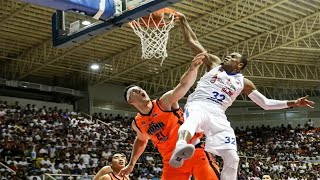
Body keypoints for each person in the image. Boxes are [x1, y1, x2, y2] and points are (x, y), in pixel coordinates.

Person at [169, 12, 315, 180]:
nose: (227, 56)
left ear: (239, 65)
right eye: (228, 54)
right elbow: (192, 41)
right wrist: (184, 22)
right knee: (192, 120)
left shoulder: (244, 83)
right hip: (199, 103)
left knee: (233, 158)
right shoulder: (214, 63)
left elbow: (266, 103)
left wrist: (293, 103)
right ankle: (180, 147)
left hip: (218, 113)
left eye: (232, 56)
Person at [119, 53, 220, 180]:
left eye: (140, 89)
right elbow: (141, 140)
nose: (140, 91)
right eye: (134, 91)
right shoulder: (138, 123)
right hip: (172, 161)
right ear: (130, 101)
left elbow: (183, 85)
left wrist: (193, 68)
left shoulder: (164, 103)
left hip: (194, 150)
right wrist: (131, 163)